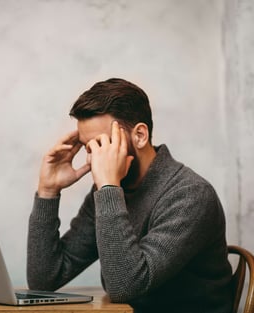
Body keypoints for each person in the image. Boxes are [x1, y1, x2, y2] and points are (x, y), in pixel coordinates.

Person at [27, 78, 233, 313]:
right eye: (89, 148)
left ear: (140, 135)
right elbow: (44, 280)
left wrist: (108, 188)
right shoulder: (111, 191)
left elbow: (125, 286)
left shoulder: (190, 195)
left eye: (103, 145)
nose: (94, 159)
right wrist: (48, 192)